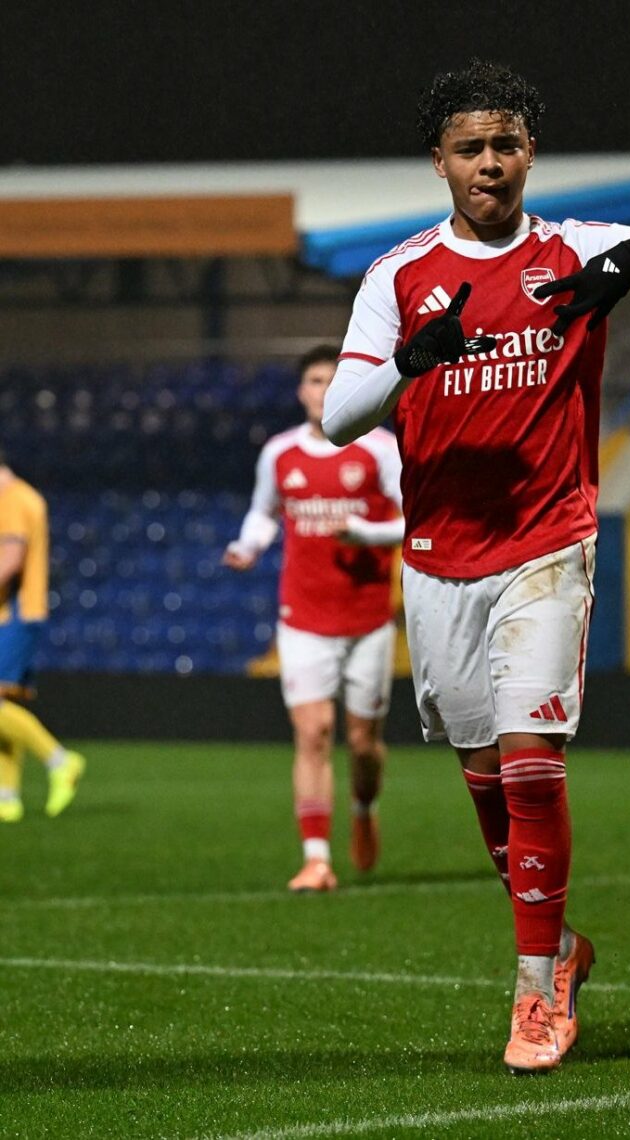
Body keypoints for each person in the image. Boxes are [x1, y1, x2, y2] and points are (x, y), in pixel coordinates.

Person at [321, 58, 630, 1073]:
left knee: (530, 758)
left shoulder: (577, 250)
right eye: (470, 148)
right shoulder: (398, 277)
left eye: (506, 144)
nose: (489, 163)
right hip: (438, 558)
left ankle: (533, 996)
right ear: (439, 162)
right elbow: (342, 417)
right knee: (482, 774)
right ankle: (562, 947)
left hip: (549, 542)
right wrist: (409, 363)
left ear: (531, 154)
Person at [223, 345, 404, 892]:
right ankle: (317, 858)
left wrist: (367, 534)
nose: (320, 390)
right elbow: (263, 510)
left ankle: (364, 807)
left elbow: (416, 518)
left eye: (330, 380)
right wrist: (248, 545)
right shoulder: (279, 453)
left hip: (368, 618)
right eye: (312, 380)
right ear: (300, 390)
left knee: (364, 742)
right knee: (314, 731)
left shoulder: (378, 448)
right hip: (301, 617)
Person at [0, 445, 86, 821]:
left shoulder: (13, 498)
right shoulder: (22, 495)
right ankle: (7, 797)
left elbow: (11, 558)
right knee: (4, 706)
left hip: (15, 612)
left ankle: (60, 760)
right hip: (17, 612)